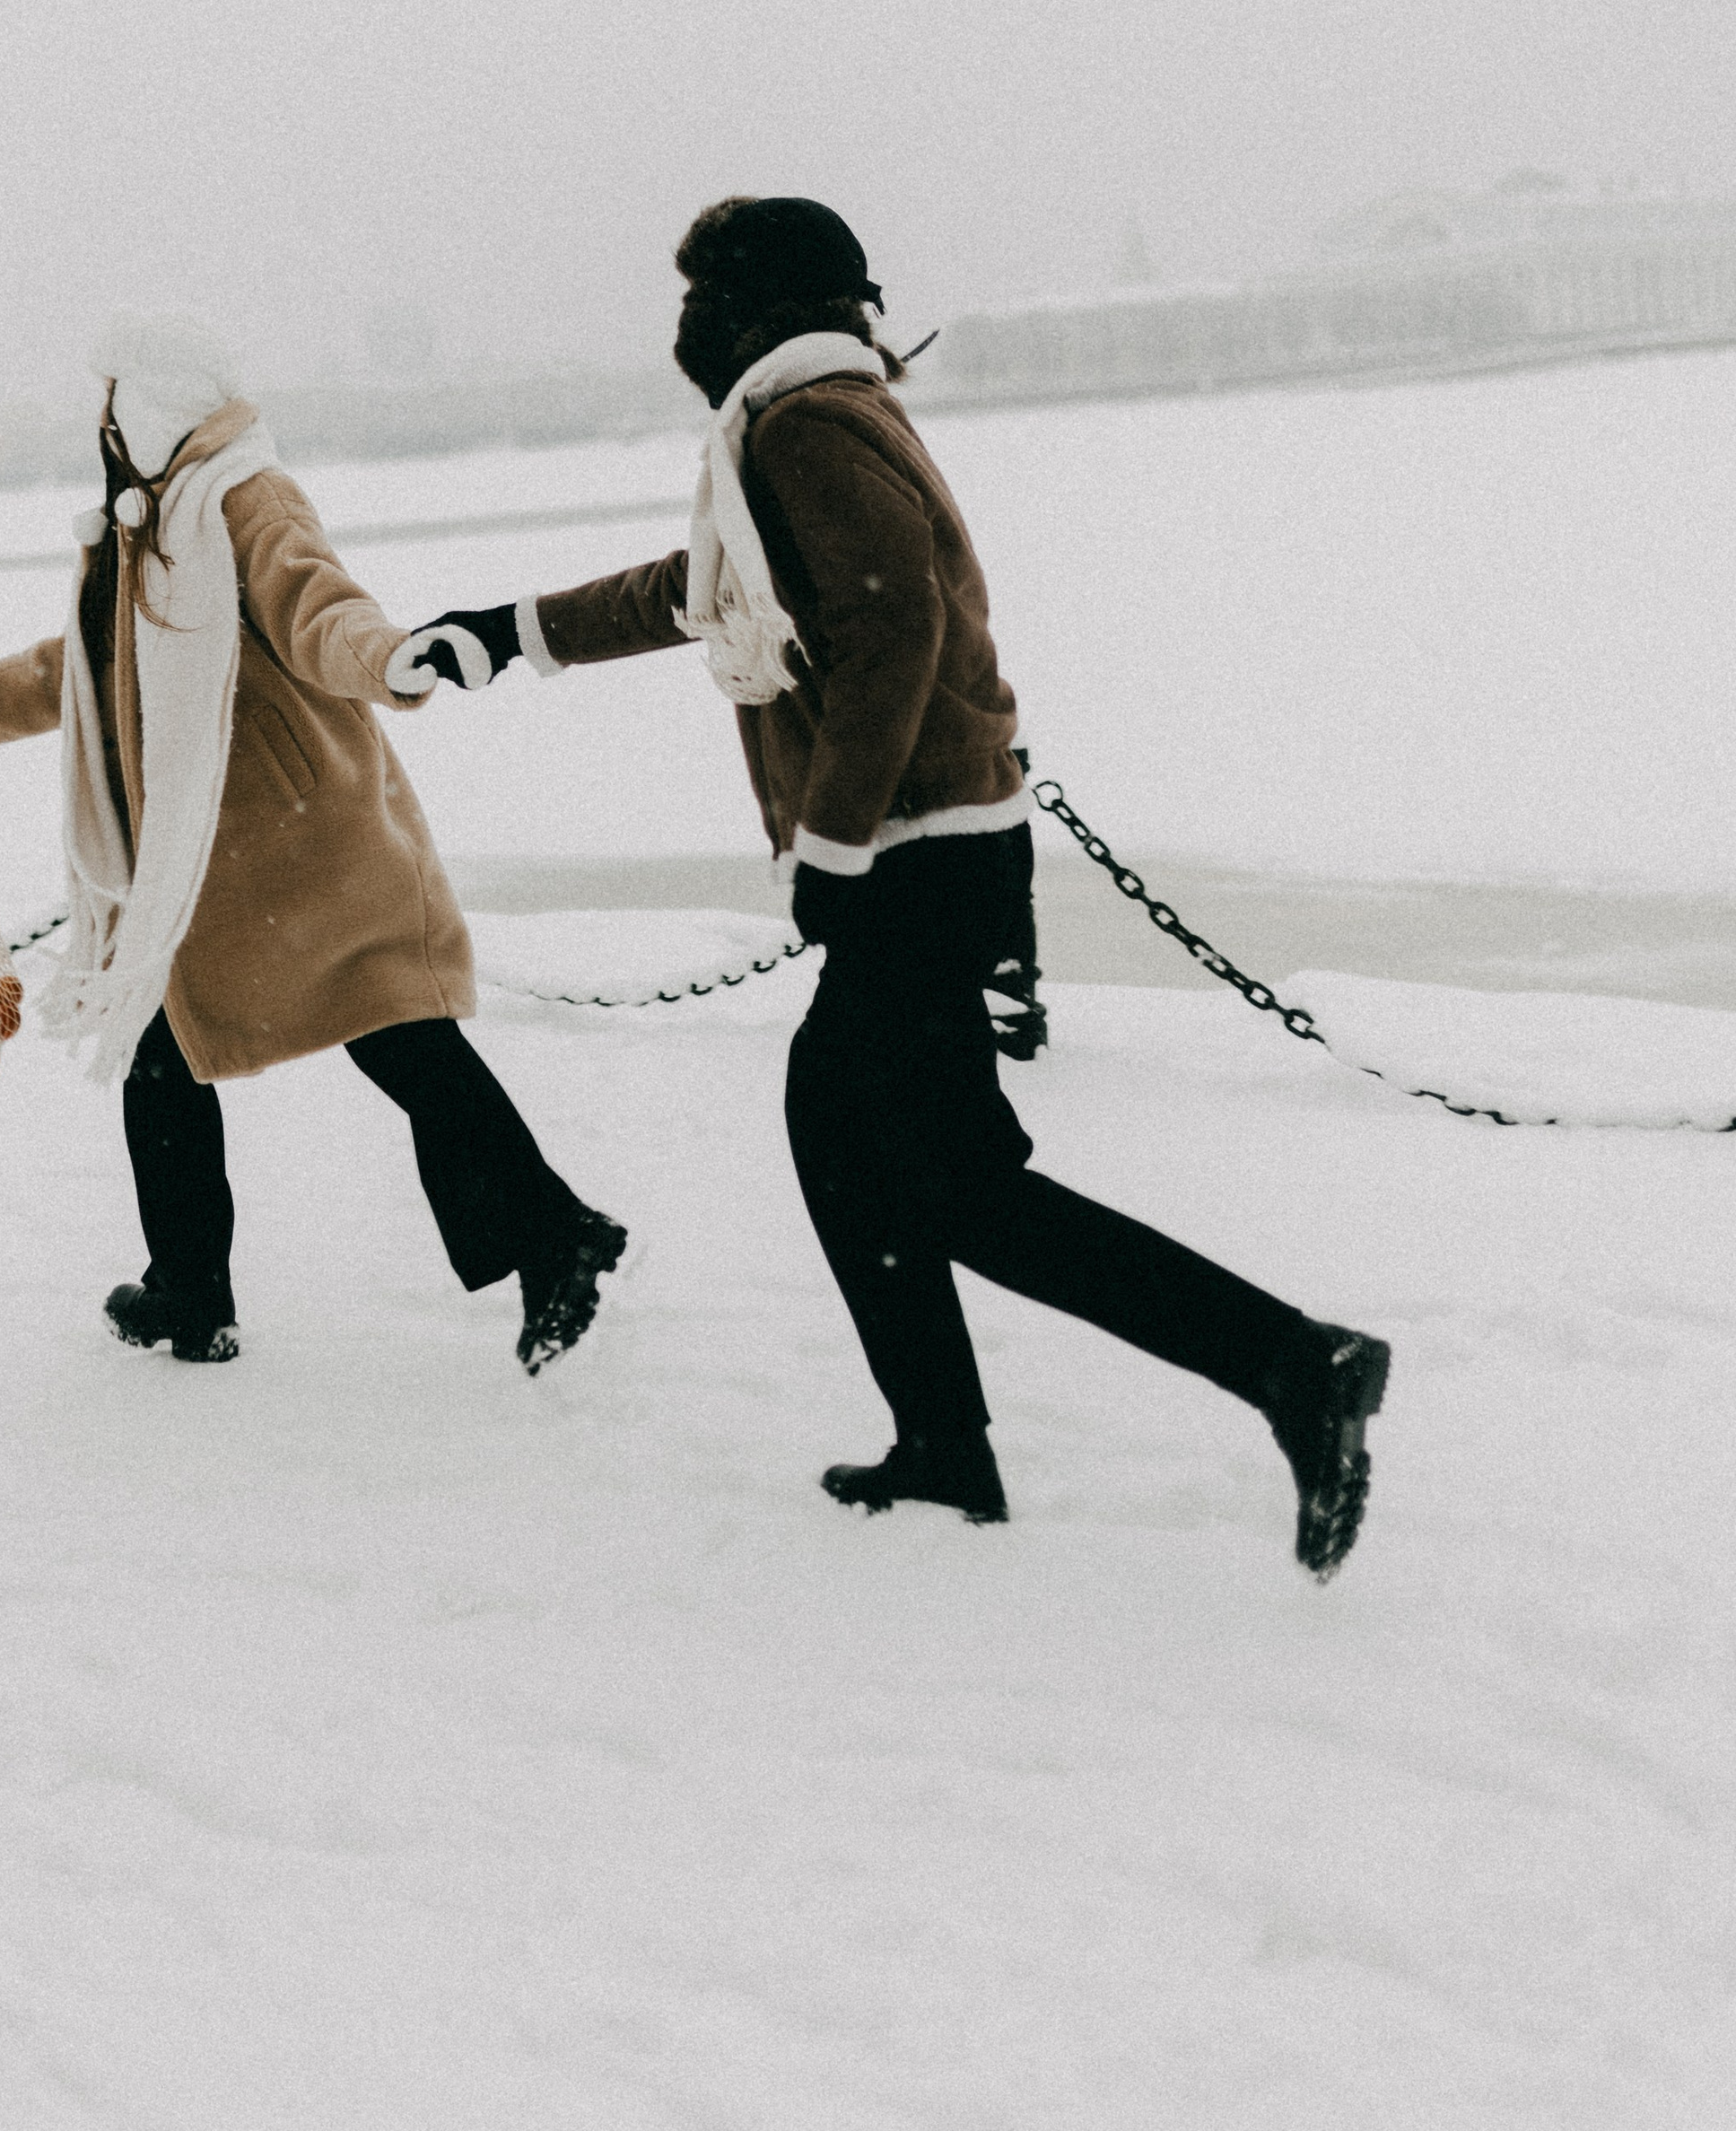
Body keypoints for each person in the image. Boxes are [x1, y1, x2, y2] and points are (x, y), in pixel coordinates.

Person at [394, 197, 1390, 1576]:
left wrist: (835, 840)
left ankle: (1290, 1366)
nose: (685, 321)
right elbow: (717, 586)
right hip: (935, 853)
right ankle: (950, 1442)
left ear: (761, 305)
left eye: (704, 293)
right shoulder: (814, 416)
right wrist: (514, 634)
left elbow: (889, 623)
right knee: (867, 1151)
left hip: (917, 857)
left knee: (946, 1181)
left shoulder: (803, 426)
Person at [0, 317, 626, 1376]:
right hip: (204, 861)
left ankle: (545, 1234)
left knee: (392, 1039)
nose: (103, 423)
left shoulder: (242, 496)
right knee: (187, 1052)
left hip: (296, 843)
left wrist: (392, 658)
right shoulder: (150, 524)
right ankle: (198, 1288)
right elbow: (91, 662)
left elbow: (318, 605)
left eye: (113, 400)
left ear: (149, 405)